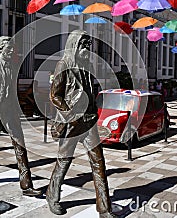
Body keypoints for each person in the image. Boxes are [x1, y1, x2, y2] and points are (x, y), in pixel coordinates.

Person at [47, 30, 115, 217]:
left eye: (88, 44)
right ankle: (52, 196)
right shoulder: (64, 64)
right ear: (74, 44)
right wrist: (70, 113)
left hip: (89, 122)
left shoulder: (87, 65)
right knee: (64, 161)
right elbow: (54, 96)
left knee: (99, 163)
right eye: (83, 43)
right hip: (72, 122)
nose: (87, 47)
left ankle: (104, 208)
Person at [0, 36, 42, 197]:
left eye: (12, 48)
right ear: (0, 48)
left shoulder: (13, 66)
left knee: (20, 145)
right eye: (8, 47)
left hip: (11, 111)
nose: (11, 50)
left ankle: (26, 185)